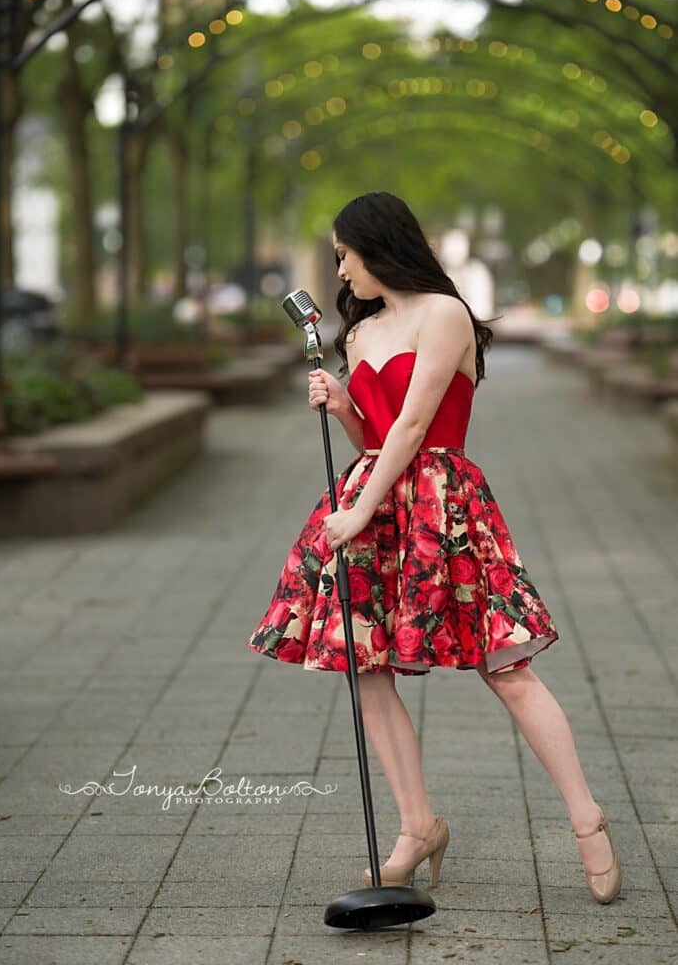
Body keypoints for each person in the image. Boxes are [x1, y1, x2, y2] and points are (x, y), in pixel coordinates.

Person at [246, 191, 621, 905]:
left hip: (440, 504)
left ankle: (587, 818)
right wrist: (345, 407)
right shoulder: (358, 334)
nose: (340, 270)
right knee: (366, 662)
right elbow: (378, 436)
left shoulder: (444, 314)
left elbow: (417, 424)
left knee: (504, 663)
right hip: (375, 498)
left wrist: (356, 509)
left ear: (377, 245)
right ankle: (417, 827)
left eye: (344, 254)